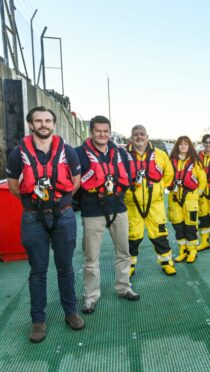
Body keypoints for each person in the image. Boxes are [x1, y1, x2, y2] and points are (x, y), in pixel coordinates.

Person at [6, 106, 84, 343]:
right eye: (38, 121)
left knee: (66, 268)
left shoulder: (68, 151)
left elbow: (76, 182)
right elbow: (13, 186)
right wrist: (36, 205)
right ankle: (38, 320)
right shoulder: (17, 154)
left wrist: (56, 202)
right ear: (31, 124)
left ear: (54, 124)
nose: (43, 124)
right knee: (37, 271)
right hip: (33, 218)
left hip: (64, 215)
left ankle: (70, 312)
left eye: (48, 120)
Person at [75, 115, 139, 314]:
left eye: (105, 131)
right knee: (91, 257)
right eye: (98, 131)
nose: (102, 135)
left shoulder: (120, 153)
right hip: (93, 212)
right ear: (91, 132)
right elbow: (74, 184)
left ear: (110, 132)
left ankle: (124, 287)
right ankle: (91, 297)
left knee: (124, 252)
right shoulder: (79, 153)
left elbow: (129, 177)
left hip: (118, 209)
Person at [125, 125, 175, 276]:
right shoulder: (122, 155)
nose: (139, 137)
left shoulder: (160, 155)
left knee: (160, 235)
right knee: (132, 236)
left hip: (155, 204)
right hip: (132, 205)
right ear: (131, 137)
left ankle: (166, 262)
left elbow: (169, 174)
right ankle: (129, 266)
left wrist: (159, 189)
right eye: (136, 135)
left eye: (142, 134)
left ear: (147, 136)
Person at [168, 136, 207, 263]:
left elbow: (202, 179)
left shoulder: (195, 162)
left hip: (190, 198)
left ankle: (192, 252)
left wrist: (198, 193)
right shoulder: (170, 161)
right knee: (178, 226)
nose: (183, 146)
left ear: (189, 146)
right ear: (177, 146)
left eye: (186, 144)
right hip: (174, 198)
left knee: (190, 227)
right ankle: (182, 251)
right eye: (180, 144)